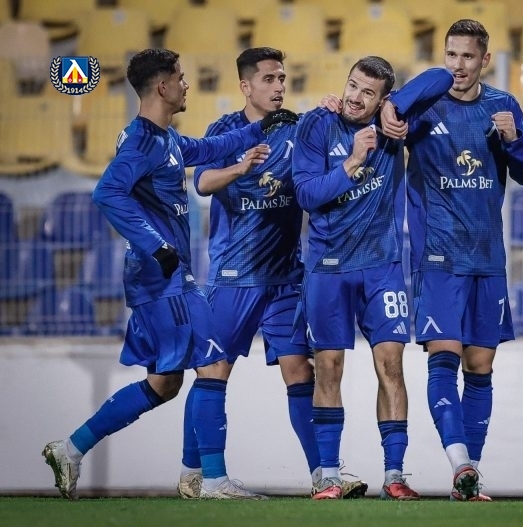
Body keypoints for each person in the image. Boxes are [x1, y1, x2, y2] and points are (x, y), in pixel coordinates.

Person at [41, 48, 296, 500]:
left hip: (161, 279)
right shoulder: (142, 142)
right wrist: (154, 245)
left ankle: (71, 448)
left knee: (164, 384)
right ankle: (212, 480)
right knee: (212, 361)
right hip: (163, 279)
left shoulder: (164, 138)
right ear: (162, 86)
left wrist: (260, 128)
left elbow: (209, 149)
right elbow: (107, 193)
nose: (186, 84)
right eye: (180, 77)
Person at [178, 47, 367, 500]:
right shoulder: (225, 131)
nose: (279, 86)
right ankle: (199, 473)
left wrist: (334, 112)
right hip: (234, 276)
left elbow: (329, 162)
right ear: (245, 86)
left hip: (285, 279)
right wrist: (240, 167)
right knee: (213, 372)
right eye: (268, 79)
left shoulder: (299, 129)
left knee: (300, 370)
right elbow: (201, 182)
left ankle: (324, 474)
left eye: (282, 78)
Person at [380, 19, 523, 501]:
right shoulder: (426, 105)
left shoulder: (503, 106)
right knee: (443, 357)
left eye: (468, 56)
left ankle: (470, 478)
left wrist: (514, 141)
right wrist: (390, 108)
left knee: (481, 365)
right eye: (451, 55)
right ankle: (459, 463)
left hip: (487, 259)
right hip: (438, 257)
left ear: (485, 60)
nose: (458, 65)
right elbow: (386, 115)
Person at [292, 56, 453, 500]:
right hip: (328, 269)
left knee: (391, 365)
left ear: (381, 98)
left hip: (382, 268)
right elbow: (305, 194)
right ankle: (328, 475)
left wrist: (393, 107)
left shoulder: (393, 124)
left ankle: (395, 475)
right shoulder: (315, 125)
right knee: (328, 367)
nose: (355, 97)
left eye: (368, 92)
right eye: (352, 85)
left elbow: (442, 76)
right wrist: (352, 162)